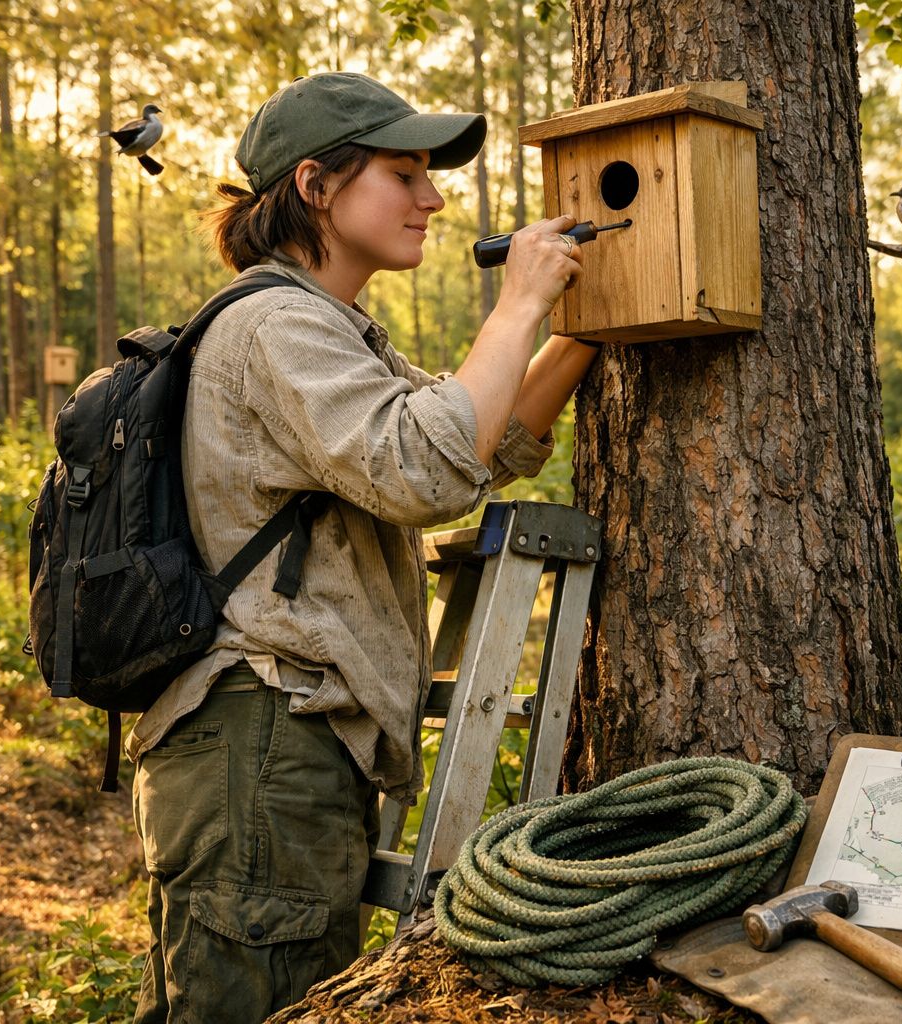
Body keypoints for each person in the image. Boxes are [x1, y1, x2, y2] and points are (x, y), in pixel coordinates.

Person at [123, 72, 597, 1022]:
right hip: (264, 743)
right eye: (404, 173)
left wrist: (588, 328)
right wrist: (518, 307)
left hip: (280, 746)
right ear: (315, 185)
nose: (434, 198)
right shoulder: (277, 326)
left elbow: (480, 441)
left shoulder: (329, 329)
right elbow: (422, 470)